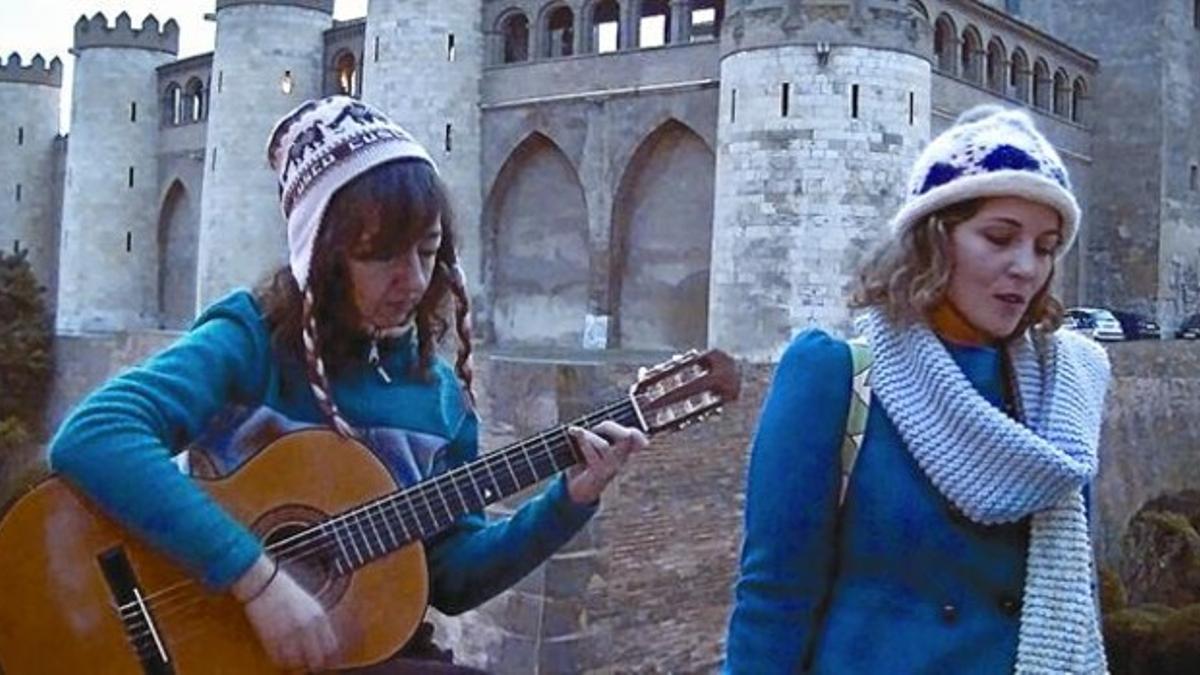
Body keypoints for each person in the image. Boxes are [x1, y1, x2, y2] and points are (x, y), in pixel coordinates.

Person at [48, 96, 647, 674]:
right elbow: (94, 435)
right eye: (380, 255)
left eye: (428, 251)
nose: (412, 280)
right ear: (324, 257)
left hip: (365, 650)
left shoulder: (440, 400)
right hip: (215, 647)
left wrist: (569, 500)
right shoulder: (249, 339)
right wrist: (255, 580)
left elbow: (453, 580)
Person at [724, 105, 1111, 674]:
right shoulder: (833, 373)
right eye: (1000, 237)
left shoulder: (1066, 387)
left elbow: (1080, 598)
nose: (1026, 267)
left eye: (1045, 246)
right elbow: (774, 596)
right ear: (933, 238)